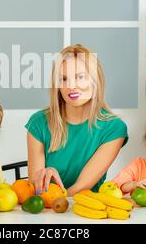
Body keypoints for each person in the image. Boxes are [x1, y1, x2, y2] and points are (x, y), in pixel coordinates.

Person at [26, 44, 129, 196]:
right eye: (64, 79)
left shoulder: (114, 128)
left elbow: (82, 186)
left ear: (95, 81)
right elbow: (36, 186)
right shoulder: (38, 123)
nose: (71, 86)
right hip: (47, 209)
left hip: (87, 209)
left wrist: (58, 201)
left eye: (80, 77)